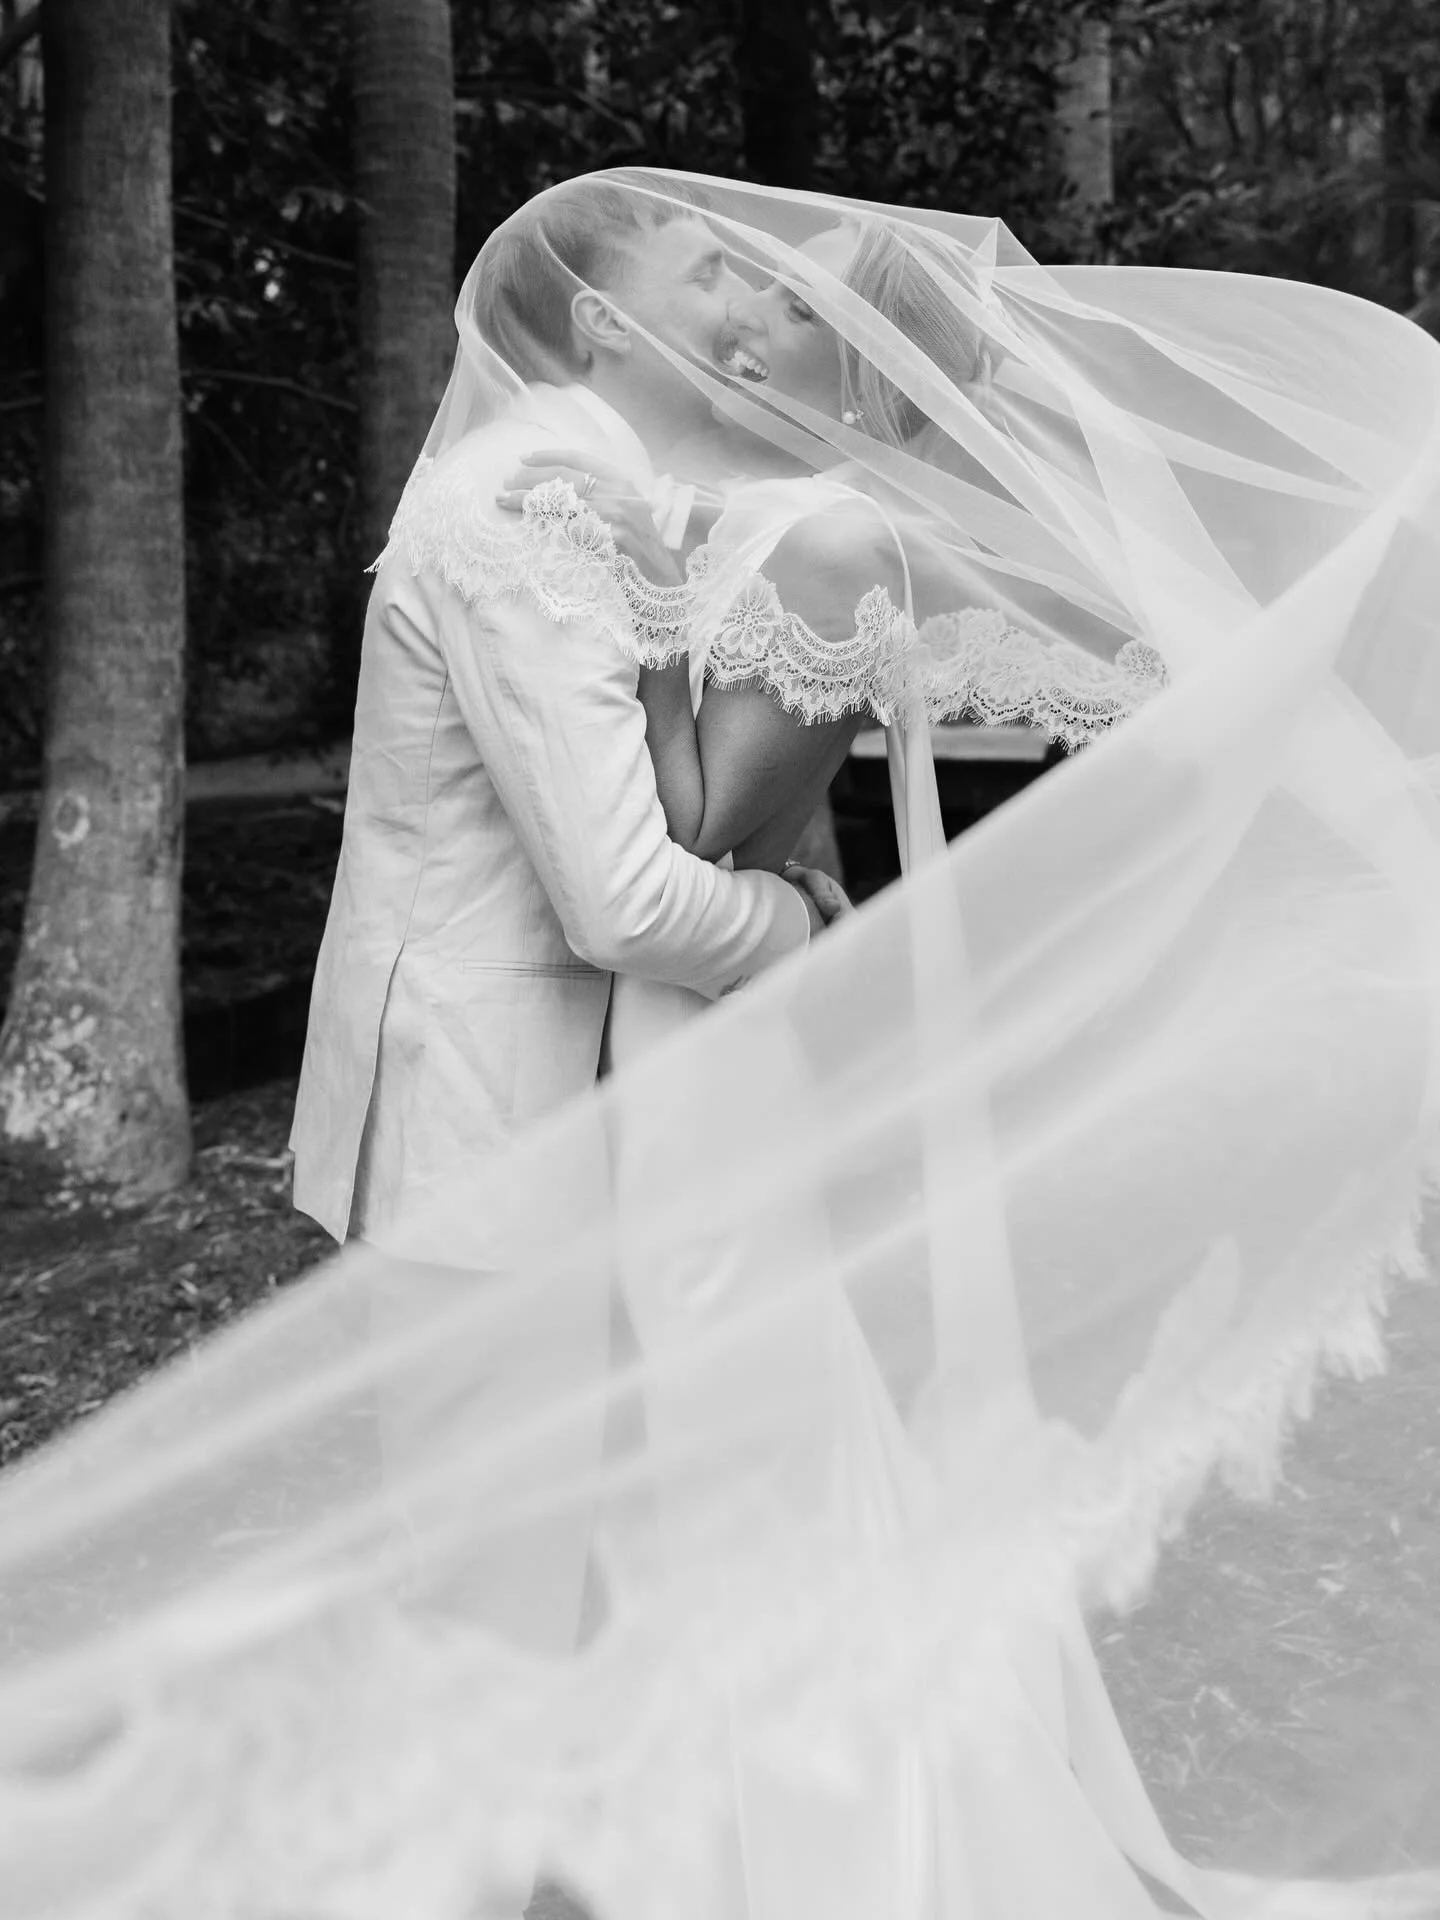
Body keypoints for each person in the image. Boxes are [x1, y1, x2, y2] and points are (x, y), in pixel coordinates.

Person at [2, 169, 1440, 1920]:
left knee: (620, 1550)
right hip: (499, 1116)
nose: (754, 286)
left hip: (627, 1112)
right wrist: (814, 936)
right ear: (609, 321)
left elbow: (709, 785)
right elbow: (620, 894)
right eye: (708, 263)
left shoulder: (685, 514)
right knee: (498, 1576)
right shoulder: (523, 508)